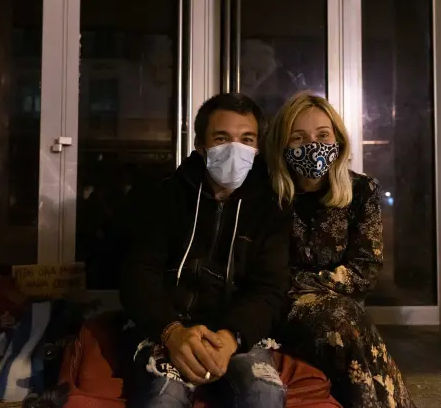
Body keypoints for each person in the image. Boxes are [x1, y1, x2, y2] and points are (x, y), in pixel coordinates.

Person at [120, 93, 292, 408]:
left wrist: (230, 337)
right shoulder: (163, 196)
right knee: (164, 397)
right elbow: (138, 275)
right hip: (168, 327)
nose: (235, 149)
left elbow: (270, 290)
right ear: (201, 145)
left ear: (258, 147)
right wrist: (171, 332)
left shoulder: (271, 207)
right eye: (222, 138)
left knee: (265, 394)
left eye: (247, 139)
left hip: (237, 334)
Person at [264, 91, 416, 408]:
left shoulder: (362, 190)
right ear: (282, 144)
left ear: (338, 139)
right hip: (279, 308)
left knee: (343, 317)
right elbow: (266, 273)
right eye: (298, 138)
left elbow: (365, 270)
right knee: (342, 319)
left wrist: (307, 284)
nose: (313, 146)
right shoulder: (266, 194)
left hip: (341, 308)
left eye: (323, 135)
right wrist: (316, 287)